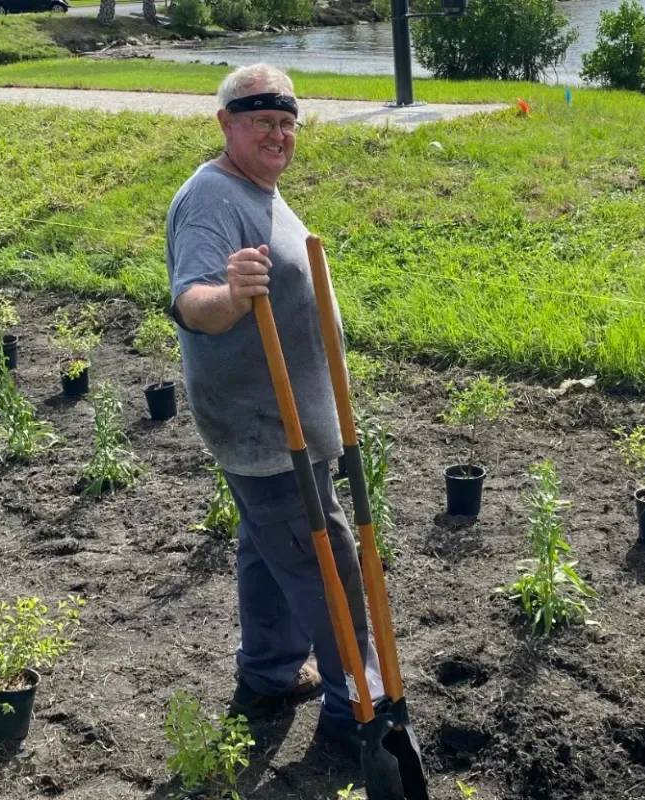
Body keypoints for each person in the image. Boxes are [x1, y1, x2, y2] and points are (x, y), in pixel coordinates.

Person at [164, 63, 384, 749]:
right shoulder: (211, 198)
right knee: (326, 562)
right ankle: (361, 708)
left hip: (289, 423)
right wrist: (229, 299)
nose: (278, 133)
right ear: (226, 123)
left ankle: (268, 670)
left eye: (287, 122)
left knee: (270, 549)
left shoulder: (261, 190)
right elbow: (192, 303)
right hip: (268, 426)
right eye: (262, 120)